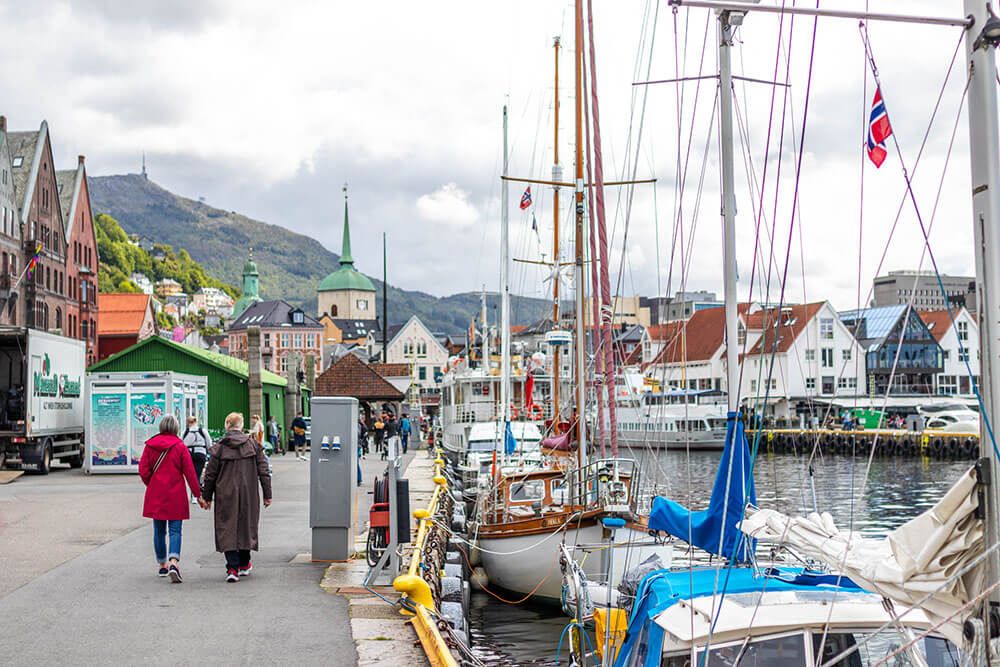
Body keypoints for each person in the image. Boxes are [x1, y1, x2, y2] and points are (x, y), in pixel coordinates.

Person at [199, 412, 272, 583]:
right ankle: (245, 564)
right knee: (246, 524)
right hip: (248, 493)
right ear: (241, 425)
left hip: (225, 493)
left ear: (227, 425)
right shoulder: (254, 446)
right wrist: (267, 494)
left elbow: (210, 474)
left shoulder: (219, 448)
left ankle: (232, 567)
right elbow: (264, 471)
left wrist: (206, 497)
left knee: (227, 526)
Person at [139, 414, 202, 584]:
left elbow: (143, 470)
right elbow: (190, 473)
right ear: (176, 428)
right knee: (175, 530)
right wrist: (198, 495)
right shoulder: (180, 446)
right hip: (176, 494)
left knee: (159, 531)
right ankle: (174, 562)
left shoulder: (150, 445)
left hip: (156, 494)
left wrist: (151, 484)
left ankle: (162, 565)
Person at [182, 416, 211, 502]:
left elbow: (181, 443)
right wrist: (209, 452)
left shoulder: (185, 432)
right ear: (196, 422)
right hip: (200, 454)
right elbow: (208, 442)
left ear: (188, 422)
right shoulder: (203, 431)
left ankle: (193, 495)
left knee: (191, 475)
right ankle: (195, 495)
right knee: (197, 474)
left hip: (188, 455)